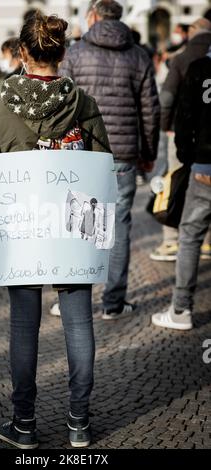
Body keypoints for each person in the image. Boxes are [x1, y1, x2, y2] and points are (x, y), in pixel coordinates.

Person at [0, 11, 111, 449]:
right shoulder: (82, 103)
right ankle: (79, 423)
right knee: (77, 323)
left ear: (22, 53)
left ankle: (25, 424)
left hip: (21, 231)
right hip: (73, 228)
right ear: (63, 52)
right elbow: (101, 168)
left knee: (22, 326)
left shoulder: (0, 105)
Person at [59, 0, 160, 320]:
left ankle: (72, 302)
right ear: (120, 18)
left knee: (79, 225)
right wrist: (148, 154)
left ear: (92, 16)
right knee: (118, 227)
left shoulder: (75, 53)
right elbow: (150, 110)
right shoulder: (139, 55)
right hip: (124, 154)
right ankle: (113, 303)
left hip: (84, 153)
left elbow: (62, 105)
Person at [152, 47, 211, 331]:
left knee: (189, 237)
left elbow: (184, 120)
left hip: (204, 167)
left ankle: (181, 309)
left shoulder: (199, 68)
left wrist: (189, 159)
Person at [150, 18, 211, 262]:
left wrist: (165, 126)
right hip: (207, 139)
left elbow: (167, 98)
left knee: (174, 183)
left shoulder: (182, 57)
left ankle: (171, 240)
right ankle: (208, 242)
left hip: (181, 132)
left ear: (191, 32)